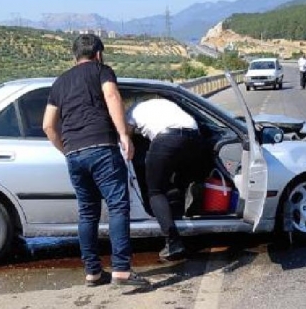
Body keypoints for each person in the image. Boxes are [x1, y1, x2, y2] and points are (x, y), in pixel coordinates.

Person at [42, 33, 149, 287]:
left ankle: (93, 272)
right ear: (99, 54)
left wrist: (67, 150)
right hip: (102, 146)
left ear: (74, 56)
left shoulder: (60, 82)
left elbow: (47, 125)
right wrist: (124, 135)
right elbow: (112, 97)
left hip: (74, 153)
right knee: (117, 206)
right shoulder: (102, 71)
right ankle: (121, 270)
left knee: (87, 212)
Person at [126, 97, 203, 261]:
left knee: (155, 191)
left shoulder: (132, 111)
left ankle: (173, 242)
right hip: (194, 137)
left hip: (167, 139)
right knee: (180, 176)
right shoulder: (166, 103)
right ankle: (187, 199)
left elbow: (126, 137)